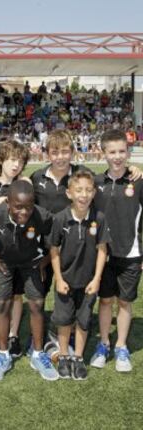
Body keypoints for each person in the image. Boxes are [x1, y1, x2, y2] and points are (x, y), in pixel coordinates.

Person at [0, 180, 54, 382]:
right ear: (8, 202)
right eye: (18, 207)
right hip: (4, 262)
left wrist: (45, 261)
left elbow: (53, 241)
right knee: (1, 304)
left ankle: (38, 354)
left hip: (31, 262)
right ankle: (3, 354)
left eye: (29, 206)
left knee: (37, 304)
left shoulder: (42, 216)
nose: (24, 212)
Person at [90, 129, 143, 372]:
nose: (118, 156)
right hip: (104, 255)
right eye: (112, 152)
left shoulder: (138, 181)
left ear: (128, 152)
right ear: (104, 154)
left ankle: (121, 346)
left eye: (122, 151)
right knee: (105, 301)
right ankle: (103, 343)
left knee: (124, 302)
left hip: (131, 254)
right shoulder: (96, 183)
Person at [50, 171, 109, 380]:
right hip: (65, 282)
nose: (83, 195)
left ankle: (78, 357)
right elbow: (54, 250)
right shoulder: (60, 219)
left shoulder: (99, 218)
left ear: (93, 193)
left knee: (83, 321)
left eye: (88, 190)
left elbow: (102, 249)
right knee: (64, 320)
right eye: (79, 190)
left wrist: (96, 279)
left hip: (88, 284)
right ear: (69, 193)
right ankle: (64, 355)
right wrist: (58, 278)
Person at [0, 140, 30, 359]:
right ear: (1, 159)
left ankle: (12, 334)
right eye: (12, 159)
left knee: (17, 294)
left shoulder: (24, 185)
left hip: (18, 249)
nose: (15, 165)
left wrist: (4, 199)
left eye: (20, 161)